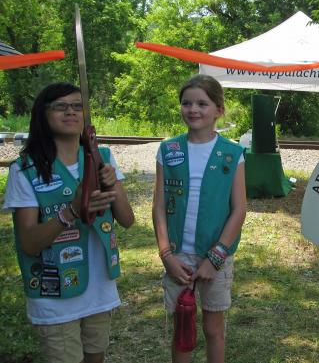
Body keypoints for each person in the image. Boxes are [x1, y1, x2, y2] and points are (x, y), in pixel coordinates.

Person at [3, 82, 135, 363]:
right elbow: (29, 242)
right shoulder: (25, 170)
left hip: (99, 287)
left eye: (77, 106)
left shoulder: (102, 158)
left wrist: (113, 187)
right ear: (43, 114)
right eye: (60, 106)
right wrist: (71, 211)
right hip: (54, 294)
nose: (71, 112)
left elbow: (127, 220)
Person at [152, 74, 246, 363]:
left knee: (213, 328)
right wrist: (166, 254)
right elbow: (157, 206)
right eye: (186, 103)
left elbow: (239, 209)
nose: (193, 109)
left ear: (219, 110)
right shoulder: (169, 150)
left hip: (215, 257)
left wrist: (215, 257)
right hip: (178, 256)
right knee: (183, 327)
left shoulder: (232, 154)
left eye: (202, 104)